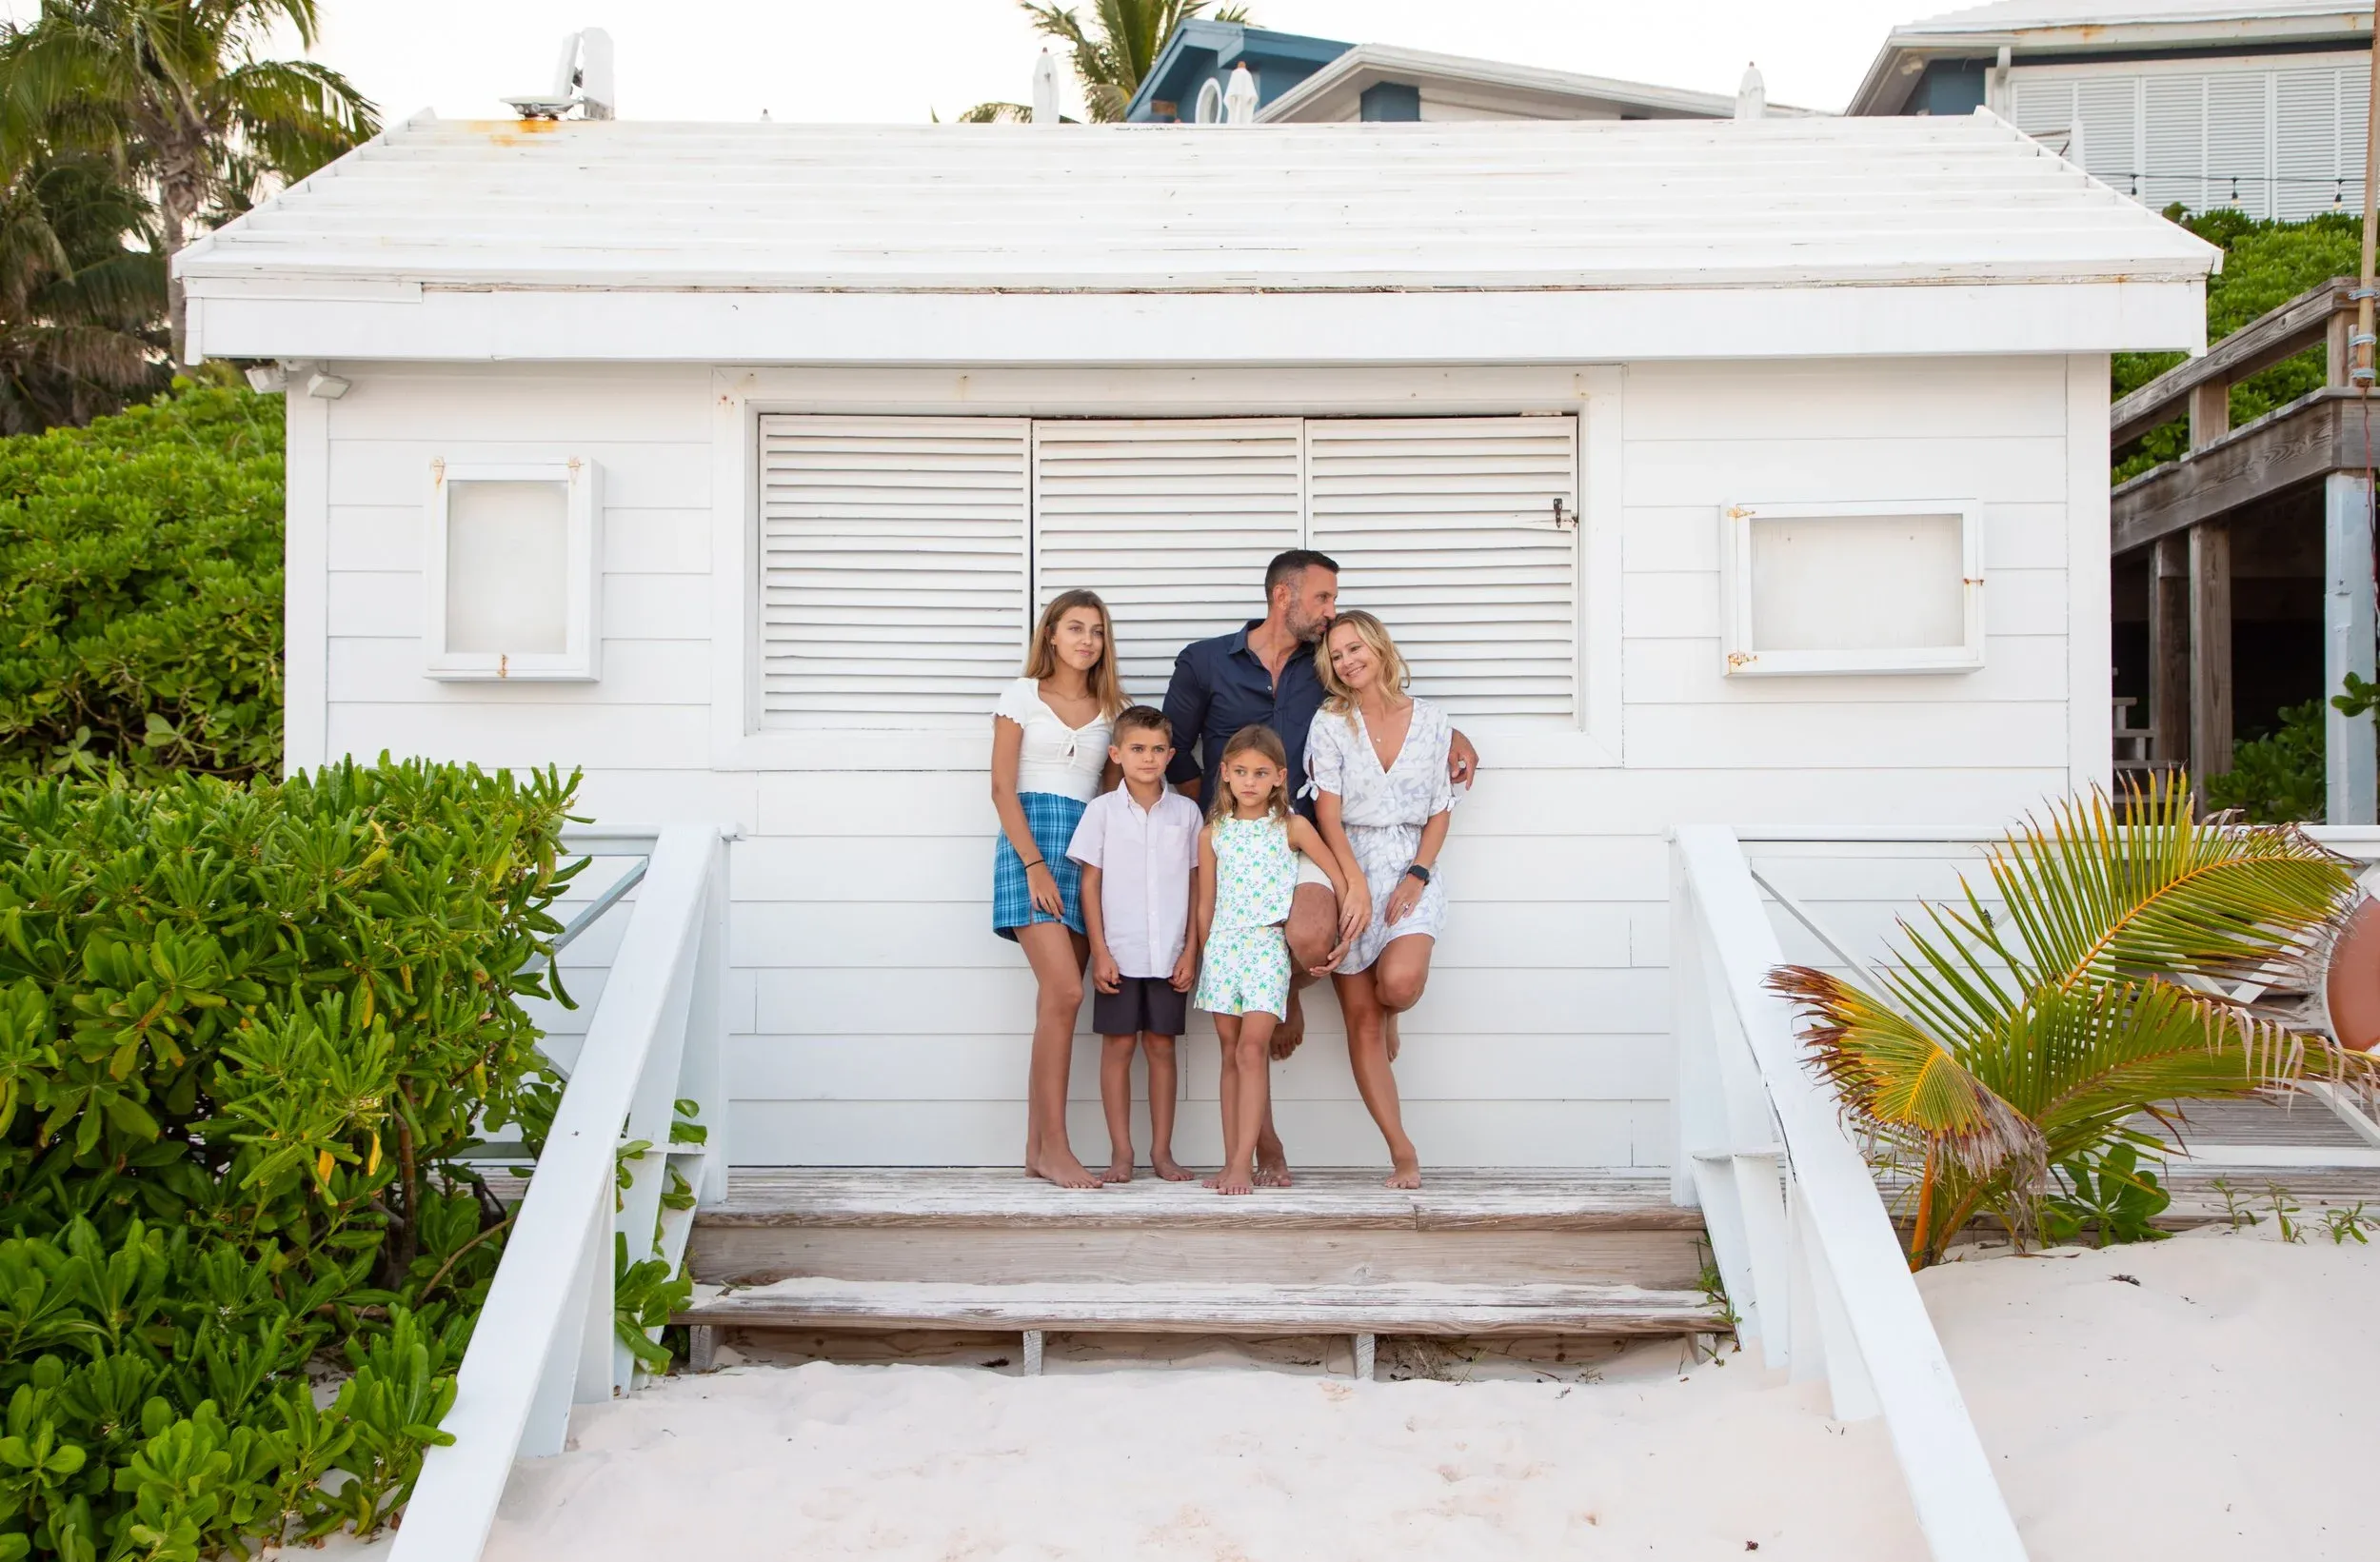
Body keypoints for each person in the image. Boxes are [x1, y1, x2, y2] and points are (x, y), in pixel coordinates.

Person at [1160, 549, 1478, 1183]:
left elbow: (1383, 700)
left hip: (1308, 837)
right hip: (1244, 843)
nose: (1331, 613)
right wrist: (1218, 815)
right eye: (1324, 599)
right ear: (1285, 596)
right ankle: (1266, 1136)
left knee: (1306, 940)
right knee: (1247, 1013)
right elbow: (1174, 750)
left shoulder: (1324, 667)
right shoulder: (1204, 662)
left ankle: (1292, 987)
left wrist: (1458, 738)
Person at [1304, 611, 1454, 1189]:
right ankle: (1402, 1153)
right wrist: (1353, 885)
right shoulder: (1330, 721)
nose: (1347, 661)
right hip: (1349, 861)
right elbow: (1328, 814)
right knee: (1360, 1019)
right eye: (1336, 655)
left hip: (1412, 863)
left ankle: (1394, 1014)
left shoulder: (1434, 720)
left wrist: (1417, 873)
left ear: (1378, 646)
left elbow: (1441, 807)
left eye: (1354, 648)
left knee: (1396, 986)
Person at [991, 589, 1127, 1191]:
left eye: (1096, 631)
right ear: (1051, 634)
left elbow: (1114, 795)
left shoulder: (1111, 707)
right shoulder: (1021, 696)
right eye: (1075, 628)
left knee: (1056, 1005)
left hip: (1086, 853)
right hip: (1031, 849)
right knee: (1067, 993)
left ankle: (1035, 1149)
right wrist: (1034, 864)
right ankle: (1057, 1148)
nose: (1086, 641)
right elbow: (1000, 788)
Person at [1190, 724, 1349, 1196]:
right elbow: (1206, 903)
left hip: (1265, 949)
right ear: (1224, 774)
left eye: (1260, 773)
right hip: (1222, 950)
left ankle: (1245, 1164)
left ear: (1280, 776)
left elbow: (1338, 878)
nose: (1249, 782)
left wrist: (1344, 933)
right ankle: (1228, 1161)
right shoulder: (1212, 833)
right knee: (1228, 1054)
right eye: (1240, 772)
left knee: (1251, 1051)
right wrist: (1205, 955)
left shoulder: (1293, 827)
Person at [1067, 705, 1202, 1183]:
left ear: (1171, 754)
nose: (1148, 758)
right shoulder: (1101, 811)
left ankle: (1162, 1153)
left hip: (1169, 954)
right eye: (1137, 749)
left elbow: (1196, 885)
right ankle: (1121, 1154)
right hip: (1118, 953)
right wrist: (1099, 951)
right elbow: (1089, 885)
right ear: (1117, 753)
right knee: (1119, 1046)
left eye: (1157, 749)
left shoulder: (1187, 813)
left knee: (1162, 1047)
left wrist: (1191, 950)